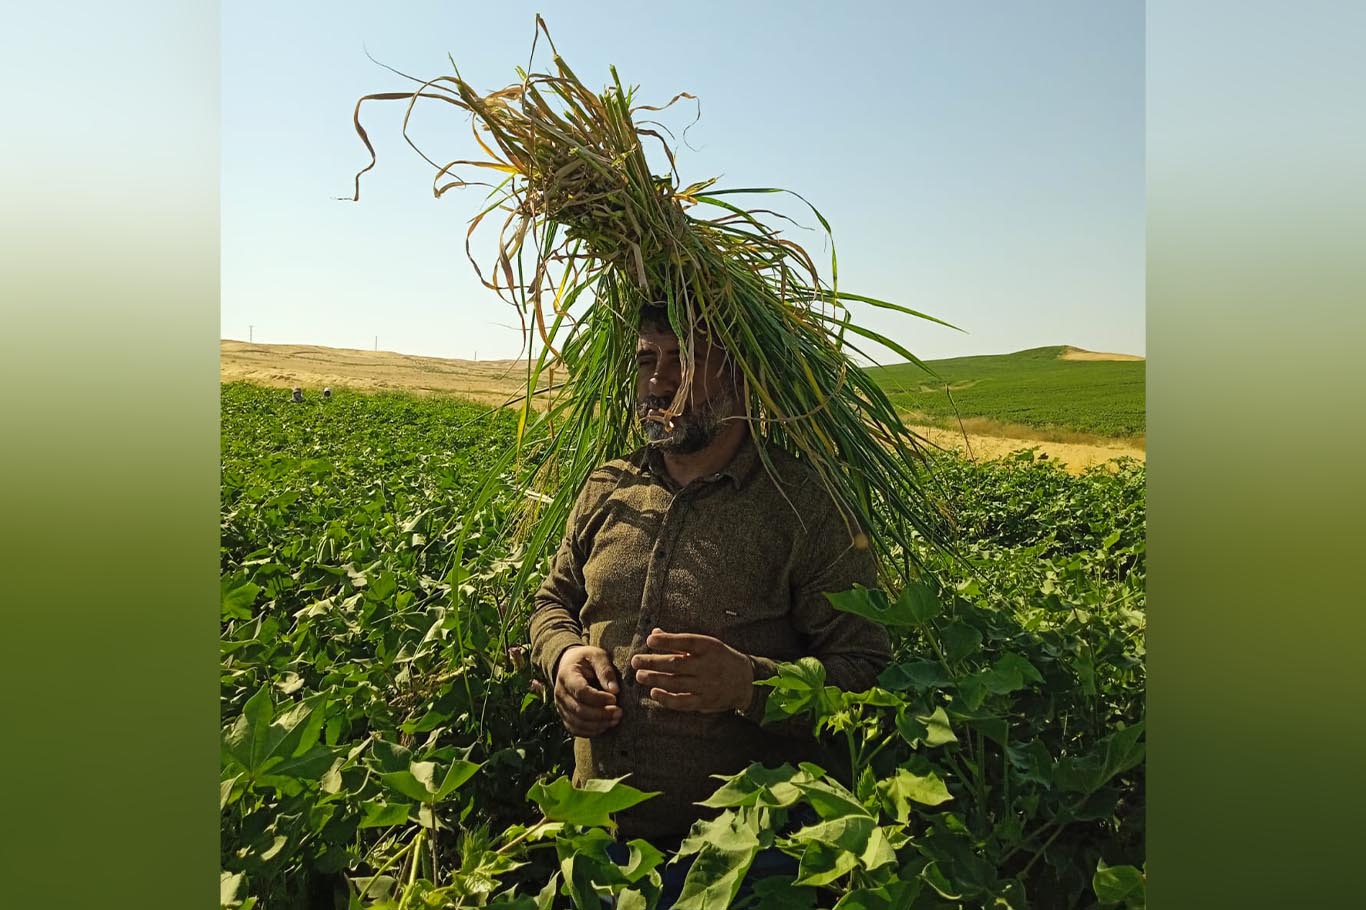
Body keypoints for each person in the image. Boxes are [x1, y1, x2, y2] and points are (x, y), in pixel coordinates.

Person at [529, 305, 892, 903]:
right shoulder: (607, 486)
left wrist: (750, 686)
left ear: (741, 377)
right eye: (648, 360)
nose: (659, 380)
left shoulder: (805, 506)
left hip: (744, 862)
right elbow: (553, 602)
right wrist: (563, 658)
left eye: (685, 361)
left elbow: (870, 675)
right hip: (593, 844)